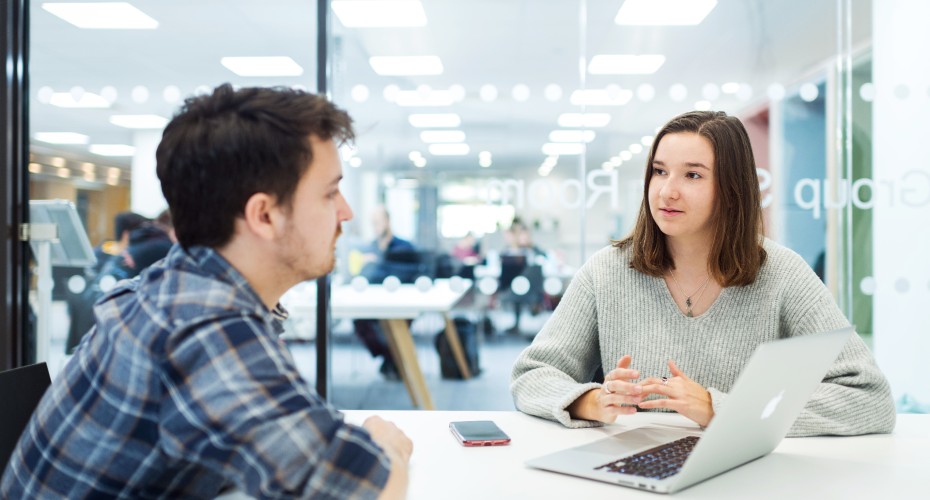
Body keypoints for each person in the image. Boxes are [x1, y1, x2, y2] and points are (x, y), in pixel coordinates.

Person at [2, 84, 412, 498]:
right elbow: (365, 490)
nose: (346, 212)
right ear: (264, 215)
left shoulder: (171, 285)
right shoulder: (202, 325)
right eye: (329, 192)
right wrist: (384, 442)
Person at [510, 110, 896, 437]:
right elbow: (532, 375)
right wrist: (592, 401)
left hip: (741, 478)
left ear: (731, 190)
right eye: (659, 172)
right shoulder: (607, 271)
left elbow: (868, 398)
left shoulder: (783, 274)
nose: (666, 192)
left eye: (692, 175)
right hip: (633, 474)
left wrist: (722, 409)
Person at [353, 206, 418, 380]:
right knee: (359, 322)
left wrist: (378, 264)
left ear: (387, 222)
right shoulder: (370, 247)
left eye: (378, 222)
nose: (375, 226)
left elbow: (408, 272)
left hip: (400, 301)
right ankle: (391, 357)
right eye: (372, 223)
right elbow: (366, 275)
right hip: (373, 300)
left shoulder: (404, 247)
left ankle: (392, 360)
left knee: (397, 325)